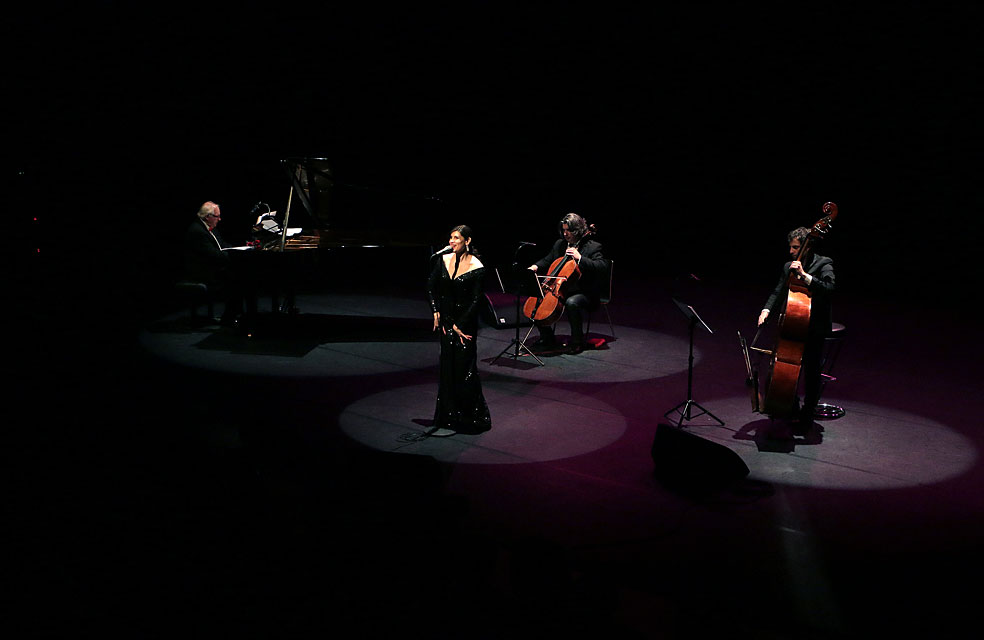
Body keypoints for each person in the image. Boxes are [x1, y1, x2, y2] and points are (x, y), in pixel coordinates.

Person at [757, 226, 835, 425]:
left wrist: (805, 275)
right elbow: (778, 291)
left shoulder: (824, 263)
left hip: (814, 326)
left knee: (811, 371)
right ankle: (788, 406)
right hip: (793, 325)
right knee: (786, 369)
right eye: (790, 247)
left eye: (795, 247)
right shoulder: (787, 266)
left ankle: (808, 414)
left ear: (806, 248)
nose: (791, 251)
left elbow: (829, 288)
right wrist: (766, 310)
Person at [426, 225, 492, 437]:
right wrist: (436, 311)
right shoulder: (442, 260)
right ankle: (447, 416)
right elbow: (431, 285)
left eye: (456, 238)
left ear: (467, 241)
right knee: (447, 368)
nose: (451, 241)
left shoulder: (477, 266)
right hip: (446, 323)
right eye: (450, 237)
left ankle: (471, 417)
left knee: (464, 370)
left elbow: (476, 301)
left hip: (465, 325)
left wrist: (459, 325)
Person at [527, 213, 606, 354]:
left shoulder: (593, 247)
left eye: (568, 230)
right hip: (561, 288)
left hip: (584, 292)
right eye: (563, 230)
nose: (565, 234)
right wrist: (534, 267)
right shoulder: (560, 244)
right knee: (537, 299)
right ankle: (547, 338)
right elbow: (548, 259)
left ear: (577, 230)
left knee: (571, 302)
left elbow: (601, 267)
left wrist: (580, 258)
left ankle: (577, 342)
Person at [183, 201, 254, 327]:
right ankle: (230, 317)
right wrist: (235, 255)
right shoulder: (197, 231)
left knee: (239, 277)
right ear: (207, 217)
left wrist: (240, 248)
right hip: (202, 271)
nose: (220, 219)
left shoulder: (211, 229)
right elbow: (212, 254)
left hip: (212, 266)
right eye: (217, 216)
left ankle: (234, 314)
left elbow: (222, 246)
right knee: (237, 280)